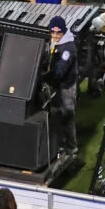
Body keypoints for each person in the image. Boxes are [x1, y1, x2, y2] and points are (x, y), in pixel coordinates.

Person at [45, 18, 79, 155]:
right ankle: (58, 143)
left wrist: (47, 77)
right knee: (56, 114)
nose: (54, 36)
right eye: (52, 32)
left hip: (66, 87)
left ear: (63, 32)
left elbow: (60, 70)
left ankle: (71, 147)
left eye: (57, 33)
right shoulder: (56, 43)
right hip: (56, 84)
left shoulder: (68, 48)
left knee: (67, 115)